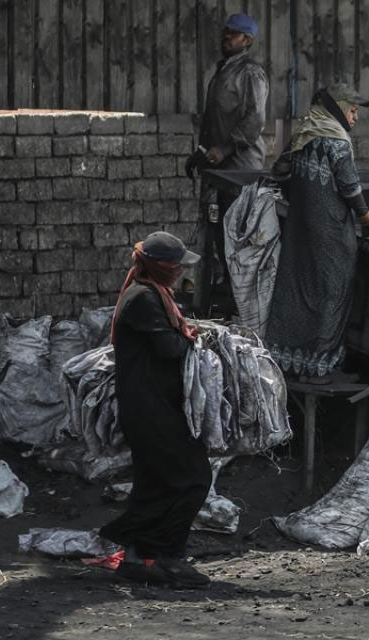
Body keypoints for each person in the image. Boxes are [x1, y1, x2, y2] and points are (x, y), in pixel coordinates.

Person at [99, 231, 213, 590]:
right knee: (192, 478)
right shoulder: (144, 300)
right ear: (161, 267)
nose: (180, 272)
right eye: (176, 266)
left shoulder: (154, 295)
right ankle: (168, 558)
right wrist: (195, 337)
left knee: (155, 482)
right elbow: (170, 349)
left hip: (153, 404)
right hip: (149, 407)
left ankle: (135, 558)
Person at [263, 83, 369, 379]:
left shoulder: (305, 133)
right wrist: (367, 219)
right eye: (352, 111)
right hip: (332, 236)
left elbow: (278, 170)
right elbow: (350, 187)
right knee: (332, 293)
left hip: (302, 231)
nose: (354, 118)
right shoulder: (337, 141)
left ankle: (286, 359)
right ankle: (320, 366)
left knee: (296, 289)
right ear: (337, 109)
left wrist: (302, 192)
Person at [188, 12, 269, 313]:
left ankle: (241, 307)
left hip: (240, 171)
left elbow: (255, 120)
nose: (226, 38)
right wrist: (200, 152)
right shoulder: (224, 70)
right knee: (218, 234)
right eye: (225, 33)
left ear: (246, 40)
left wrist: (224, 148)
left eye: (232, 34)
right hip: (220, 169)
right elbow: (214, 121)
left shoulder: (250, 73)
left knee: (237, 238)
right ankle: (222, 300)